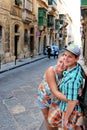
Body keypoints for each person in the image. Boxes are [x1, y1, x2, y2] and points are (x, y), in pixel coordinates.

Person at [48, 44, 86, 130]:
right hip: (66, 107)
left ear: (76, 58)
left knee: (67, 126)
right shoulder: (77, 67)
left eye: (70, 57)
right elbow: (84, 75)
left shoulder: (72, 80)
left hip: (69, 110)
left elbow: (72, 101)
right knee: (52, 120)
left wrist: (66, 119)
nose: (65, 58)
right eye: (65, 55)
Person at [37, 54, 67, 130]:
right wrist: (72, 100)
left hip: (56, 101)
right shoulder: (50, 71)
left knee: (54, 121)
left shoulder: (68, 73)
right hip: (43, 98)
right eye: (60, 61)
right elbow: (55, 92)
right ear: (57, 61)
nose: (61, 65)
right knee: (47, 119)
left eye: (65, 62)